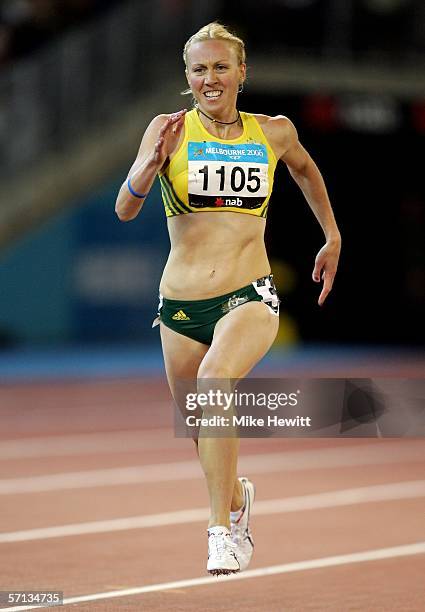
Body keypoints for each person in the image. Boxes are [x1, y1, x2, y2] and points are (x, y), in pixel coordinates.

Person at [115, 22, 341, 576]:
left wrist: (332, 235)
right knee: (200, 425)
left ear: (242, 72)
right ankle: (236, 497)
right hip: (180, 306)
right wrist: (149, 164)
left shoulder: (275, 132)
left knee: (216, 383)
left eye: (220, 67)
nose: (209, 79)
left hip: (249, 294)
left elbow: (306, 170)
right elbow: (125, 207)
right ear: (187, 77)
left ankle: (222, 532)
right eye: (198, 69)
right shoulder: (168, 129)